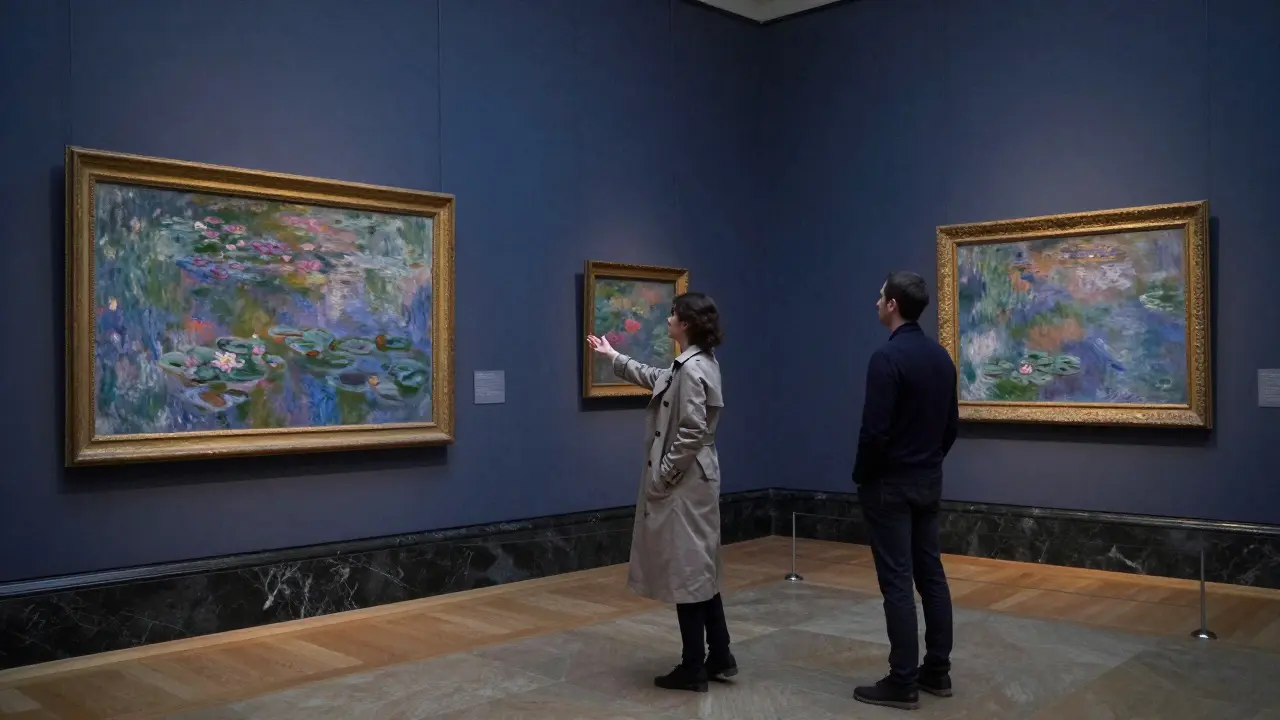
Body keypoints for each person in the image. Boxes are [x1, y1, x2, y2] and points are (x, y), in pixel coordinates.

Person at [587, 292, 733, 693]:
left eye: (673, 314)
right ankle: (720, 655)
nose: (668, 319)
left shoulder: (693, 368)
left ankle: (693, 666)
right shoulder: (697, 363)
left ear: (685, 323)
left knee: (688, 572)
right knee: (700, 568)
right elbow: (657, 379)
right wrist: (613, 356)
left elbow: (690, 431)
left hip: (685, 484)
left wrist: (664, 475)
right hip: (695, 481)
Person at [851, 271, 959, 711]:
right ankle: (937, 670)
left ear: (893, 304)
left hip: (889, 484)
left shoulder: (886, 358)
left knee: (897, 581)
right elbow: (950, 426)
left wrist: (863, 475)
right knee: (930, 574)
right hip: (927, 480)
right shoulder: (941, 358)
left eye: (880, 297)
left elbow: (874, 431)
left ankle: (902, 680)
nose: (876, 302)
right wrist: (929, 461)